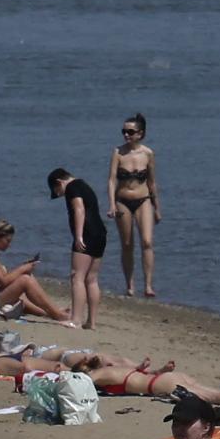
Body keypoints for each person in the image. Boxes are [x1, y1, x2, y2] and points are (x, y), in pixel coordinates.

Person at [46, 167, 107, 328]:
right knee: (92, 279)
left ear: (59, 182)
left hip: (86, 234)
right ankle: (91, 322)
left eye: (58, 191)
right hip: (100, 233)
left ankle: (76, 320)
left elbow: (78, 209)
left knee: (77, 276)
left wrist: (79, 235)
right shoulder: (84, 185)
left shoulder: (72, 187)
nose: (60, 194)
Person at [108, 114, 159, 299]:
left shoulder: (148, 153)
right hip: (123, 201)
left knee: (146, 241)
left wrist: (157, 208)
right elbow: (112, 180)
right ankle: (130, 285)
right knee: (127, 244)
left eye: (130, 132)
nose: (126, 135)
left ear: (140, 133)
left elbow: (152, 182)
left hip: (143, 199)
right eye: (124, 131)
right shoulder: (118, 152)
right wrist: (112, 204)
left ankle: (148, 285)